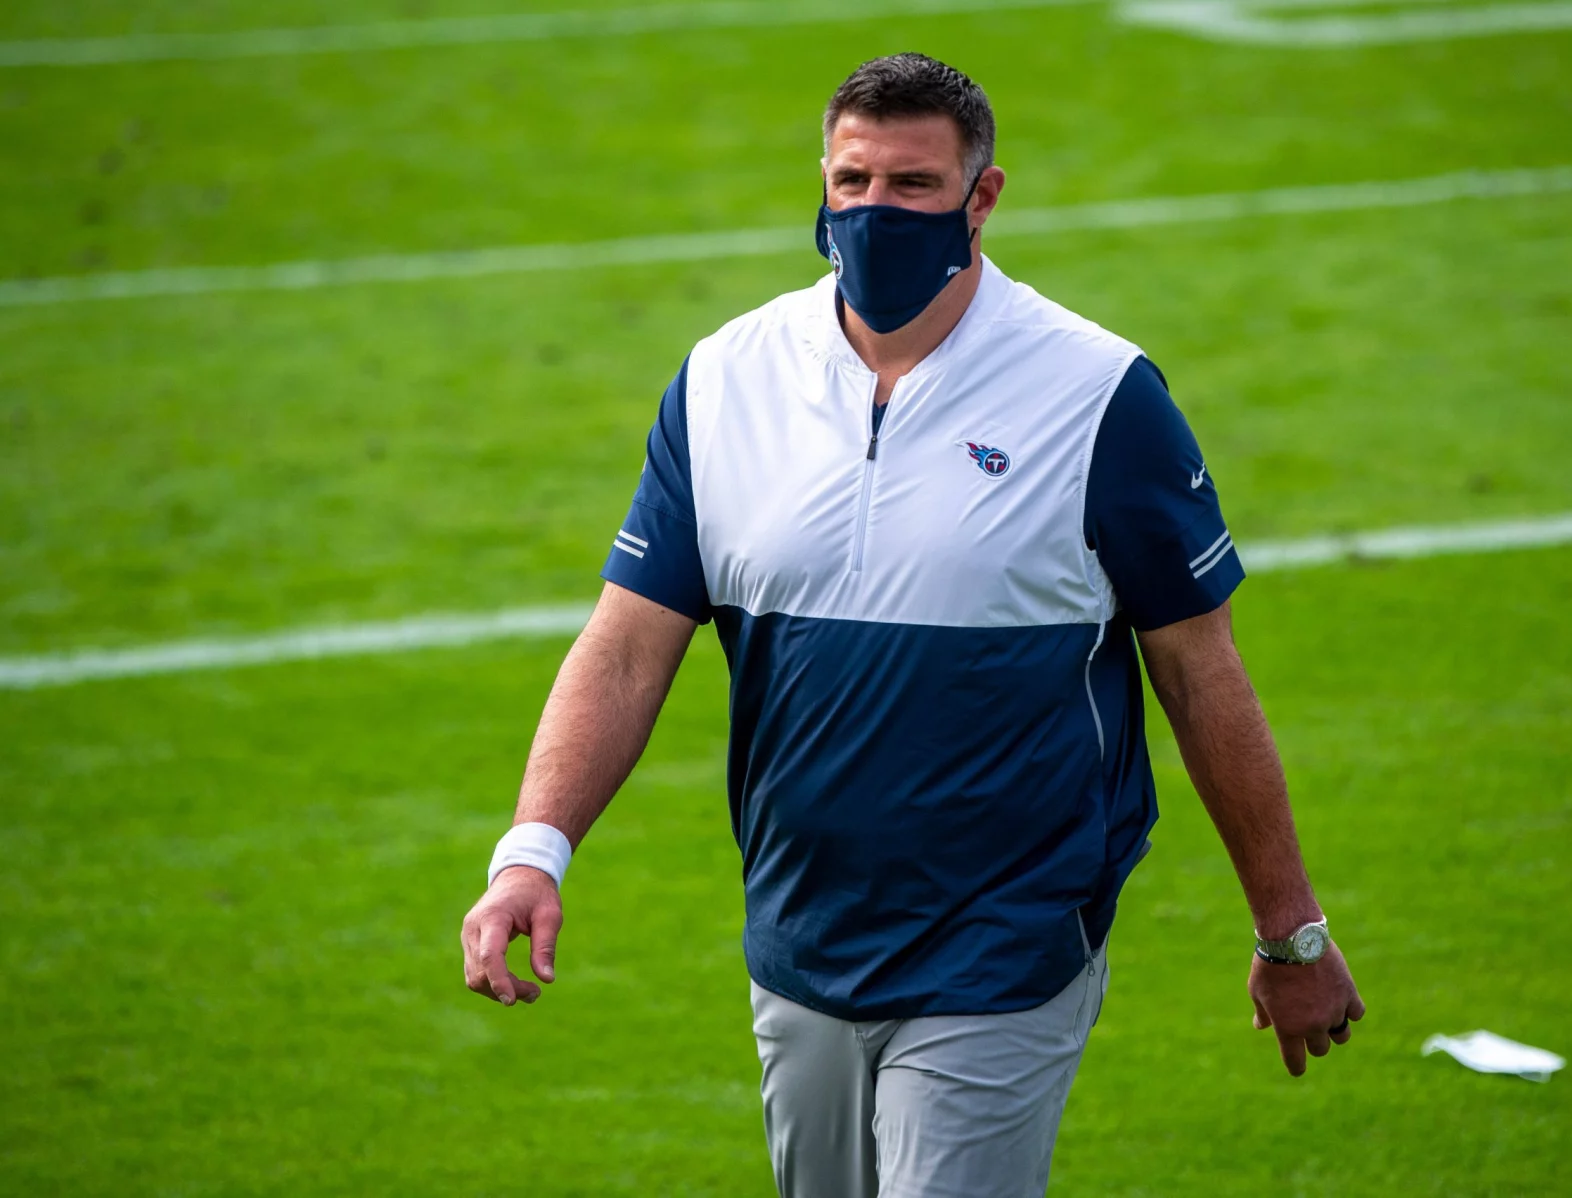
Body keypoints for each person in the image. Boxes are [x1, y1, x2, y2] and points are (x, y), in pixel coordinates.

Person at [460, 52, 1364, 1198]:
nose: (875, 212)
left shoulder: (1099, 395)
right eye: (852, 183)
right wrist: (534, 850)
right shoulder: (724, 381)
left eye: (913, 187)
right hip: (799, 934)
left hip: (1005, 941)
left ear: (982, 199)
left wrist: (1289, 932)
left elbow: (1198, 669)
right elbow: (628, 643)